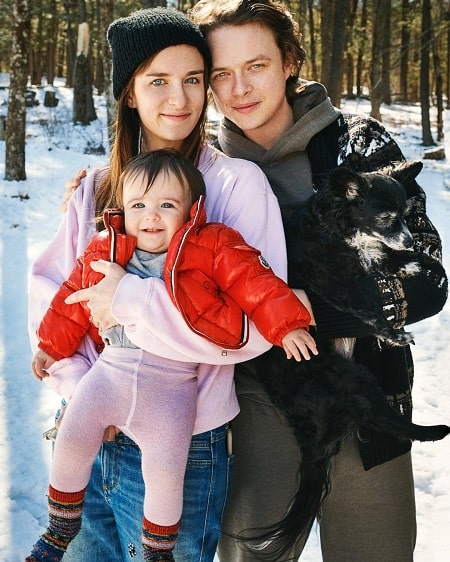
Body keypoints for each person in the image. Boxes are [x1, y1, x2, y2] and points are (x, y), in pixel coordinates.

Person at [28, 8, 300, 562]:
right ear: (129, 93)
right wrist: (79, 385)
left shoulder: (236, 184)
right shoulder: (99, 189)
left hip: (185, 443)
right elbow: (54, 291)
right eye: (158, 81)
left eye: (194, 80)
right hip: (90, 429)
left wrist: (129, 300)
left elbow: (249, 330)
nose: (179, 98)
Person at [188, 1, 448, 561]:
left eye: (255, 65)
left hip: (366, 402)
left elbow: (426, 275)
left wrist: (305, 306)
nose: (238, 89)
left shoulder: (358, 145)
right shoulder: (199, 168)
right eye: (220, 74)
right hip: (253, 401)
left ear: (288, 61)